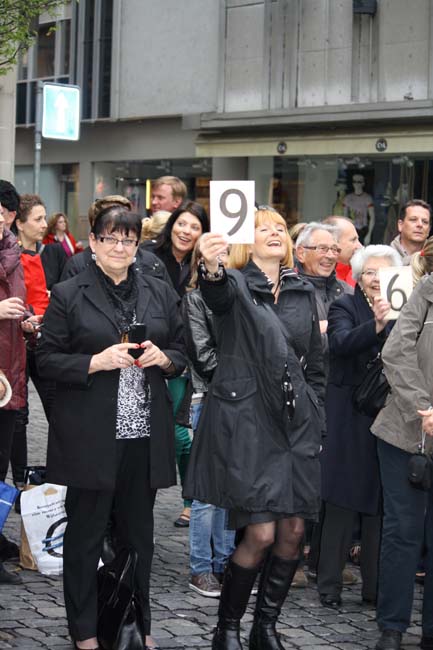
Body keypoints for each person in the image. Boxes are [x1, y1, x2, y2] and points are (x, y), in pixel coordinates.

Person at [36, 205, 186, 650]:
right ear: (94, 242)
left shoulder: (159, 290)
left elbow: (182, 350)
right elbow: (46, 360)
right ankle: (84, 630)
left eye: (128, 240)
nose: (120, 247)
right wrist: (94, 362)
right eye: (111, 238)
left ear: (138, 245)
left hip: (144, 433)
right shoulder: (69, 292)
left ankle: (137, 625)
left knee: (139, 537)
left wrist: (165, 359)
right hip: (91, 435)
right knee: (85, 536)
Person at [184, 208, 326, 650]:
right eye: (264, 228)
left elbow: (316, 361)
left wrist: (316, 411)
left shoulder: (304, 290)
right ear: (248, 239)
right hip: (249, 424)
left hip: (296, 426)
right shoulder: (236, 284)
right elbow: (216, 294)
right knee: (261, 533)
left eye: (281, 228)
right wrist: (211, 266)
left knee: (294, 534)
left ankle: (265, 629)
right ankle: (226, 629)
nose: (275, 233)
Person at [317, 245, 402, 610]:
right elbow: (339, 343)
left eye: (384, 273)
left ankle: (375, 588)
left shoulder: (405, 307)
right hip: (348, 412)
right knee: (341, 499)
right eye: (370, 272)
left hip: (389, 412)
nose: (377, 279)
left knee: (378, 502)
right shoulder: (344, 306)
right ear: (358, 276)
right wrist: (377, 325)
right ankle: (329, 585)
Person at [371, 240, 433, 650]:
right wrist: (424, 407)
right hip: (405, 433)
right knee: (403, 532)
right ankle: (391, 627)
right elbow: (395, 352)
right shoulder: (427, 290)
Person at [295, 222, 353, 587]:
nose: (330, 255)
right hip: (302, 392)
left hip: (340, 392)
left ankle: (323, 556)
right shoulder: (289, 289)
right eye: (322, 249)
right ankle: (293, 557)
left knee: (331, 476)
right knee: (302, 475)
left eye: (334, 249)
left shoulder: (346, 290)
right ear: (301, 253)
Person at [145, 200, 209, 527]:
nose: (186, 231)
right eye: (182, 224)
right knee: (164, 434)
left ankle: (189, 501)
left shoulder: (205, 264)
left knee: (181, 434)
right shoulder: (148, 256)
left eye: (195, 227)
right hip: (151, 351)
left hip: (187, 356)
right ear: (172, 225)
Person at [182, 239, 235, 598]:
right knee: (206, 490)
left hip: (240, 399)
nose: (222, 258)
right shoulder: (195, 299)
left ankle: (225, 561)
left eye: (227, 252)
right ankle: (201, 566)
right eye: (215, 253)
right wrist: (240, 376)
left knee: (230, 487)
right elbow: (202, 355)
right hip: (210, 396)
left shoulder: (239, 296)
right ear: (200, 262)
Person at [0, 203, 39, 583]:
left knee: (0, 467)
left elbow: (18, 304)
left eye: (2, 213)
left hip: (9, 373)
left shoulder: (13, 254)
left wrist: (26, 320)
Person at [60, 196, 171, 285]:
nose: (119, 248)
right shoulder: (78, 264)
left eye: (125, 216)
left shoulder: (151, 262)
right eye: (110, 238)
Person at [323, 216, 362, 287]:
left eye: (357, 240)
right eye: (353, 240)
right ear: (333, 241)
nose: (360, 246)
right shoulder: (314, 274)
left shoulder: (360, 269)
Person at [390, 199, 431, 265]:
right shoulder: (384, 258)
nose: (420, 224)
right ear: (400, 225)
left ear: (429, 229)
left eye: (425, 222)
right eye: (413, 220)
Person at [343, 173, 375, 245]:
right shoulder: (347, 198)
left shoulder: (367, 198)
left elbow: (372, 217)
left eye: (359, 182)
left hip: (364, 229)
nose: (356, 184)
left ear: (363, 183)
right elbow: (345, 217)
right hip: (351, 229)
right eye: (354, 182)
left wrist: (369, 234)